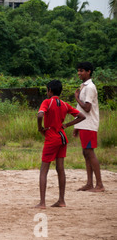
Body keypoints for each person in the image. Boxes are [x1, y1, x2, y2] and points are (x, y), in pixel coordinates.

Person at [35, 80, 85, 209]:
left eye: (47, 90)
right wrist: (67, 125)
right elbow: (81, 116)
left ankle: (42, 203)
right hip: (63, 138)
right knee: (60, 169)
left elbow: (40, 114)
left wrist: (40, 128)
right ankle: (61, 200)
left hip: (52, 137)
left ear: (50, 90)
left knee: (43, 170)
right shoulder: (64, 104)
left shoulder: (47, 102)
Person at [73, 62, 105, 192]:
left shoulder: (90, 87)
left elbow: (86, 108)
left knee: (90, 153)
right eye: (78, 71)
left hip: (89, 125)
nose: (79, 73)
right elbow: (81, 109)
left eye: (81, 71)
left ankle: (99, 185)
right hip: (84, 125)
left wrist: (76, 98)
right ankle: (89, 183)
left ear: (89, 72)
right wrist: (77, 125)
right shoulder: (84, 86)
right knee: (86, 153)